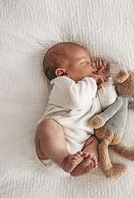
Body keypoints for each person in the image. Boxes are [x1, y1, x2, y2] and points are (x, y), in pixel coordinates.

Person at [35, 42, 117, 176]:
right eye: (84, 62)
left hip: (80, 146)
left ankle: (85, 162)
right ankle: (64, 160)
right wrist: (91, 80)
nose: (91, 66)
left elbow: (109, 102)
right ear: (62, 72)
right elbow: (76, 101)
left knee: (94, 140)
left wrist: (105, 81)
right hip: (52, 151)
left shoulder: (91, 89)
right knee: (46, 126)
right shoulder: (63, 84)